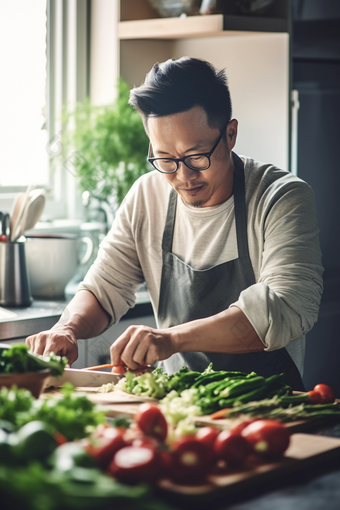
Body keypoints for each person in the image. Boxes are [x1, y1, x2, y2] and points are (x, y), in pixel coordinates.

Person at [26, 57, 324, 390]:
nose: (183, 176)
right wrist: (67, 328)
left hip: (270, 409)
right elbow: (103, 288)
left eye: (197, 156)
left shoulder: (280, 197)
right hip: (176, 402)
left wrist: (170, 339)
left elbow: (283, 307)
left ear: (230, 134)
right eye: (165, 159)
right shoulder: (147, 195)